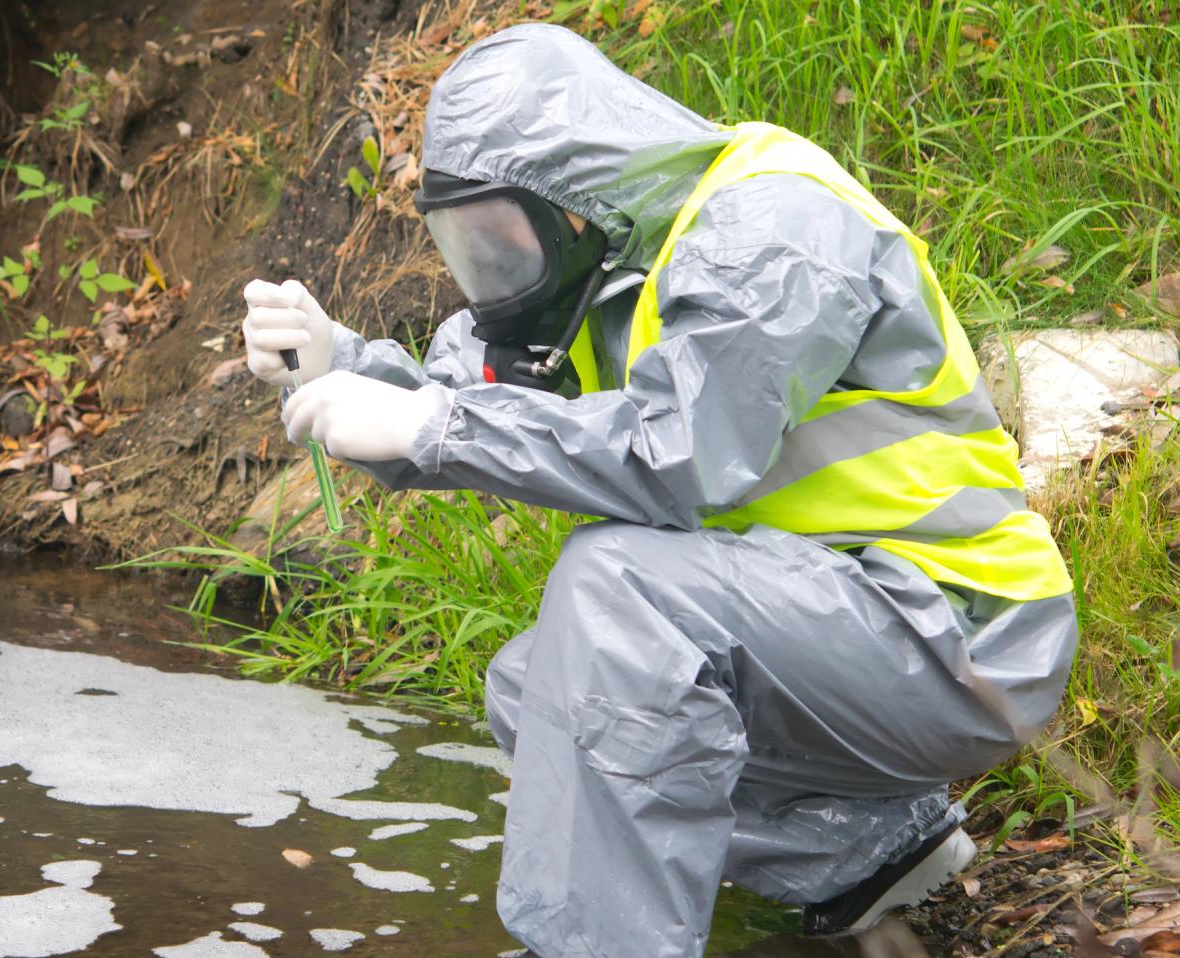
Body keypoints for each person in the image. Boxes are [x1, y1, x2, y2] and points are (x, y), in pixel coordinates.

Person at [238, 22, 1078, 958]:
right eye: (463, 243)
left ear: (572, 198)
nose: (490, 276)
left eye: (498, 240)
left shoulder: (774, 228)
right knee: (537, 685)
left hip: (961, 633)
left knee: (614, 585)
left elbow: (680, 453)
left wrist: (433, 430)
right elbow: (472, 398)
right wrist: (343, 362)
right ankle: (863, 854)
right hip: (841, 624)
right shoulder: (609, 267)